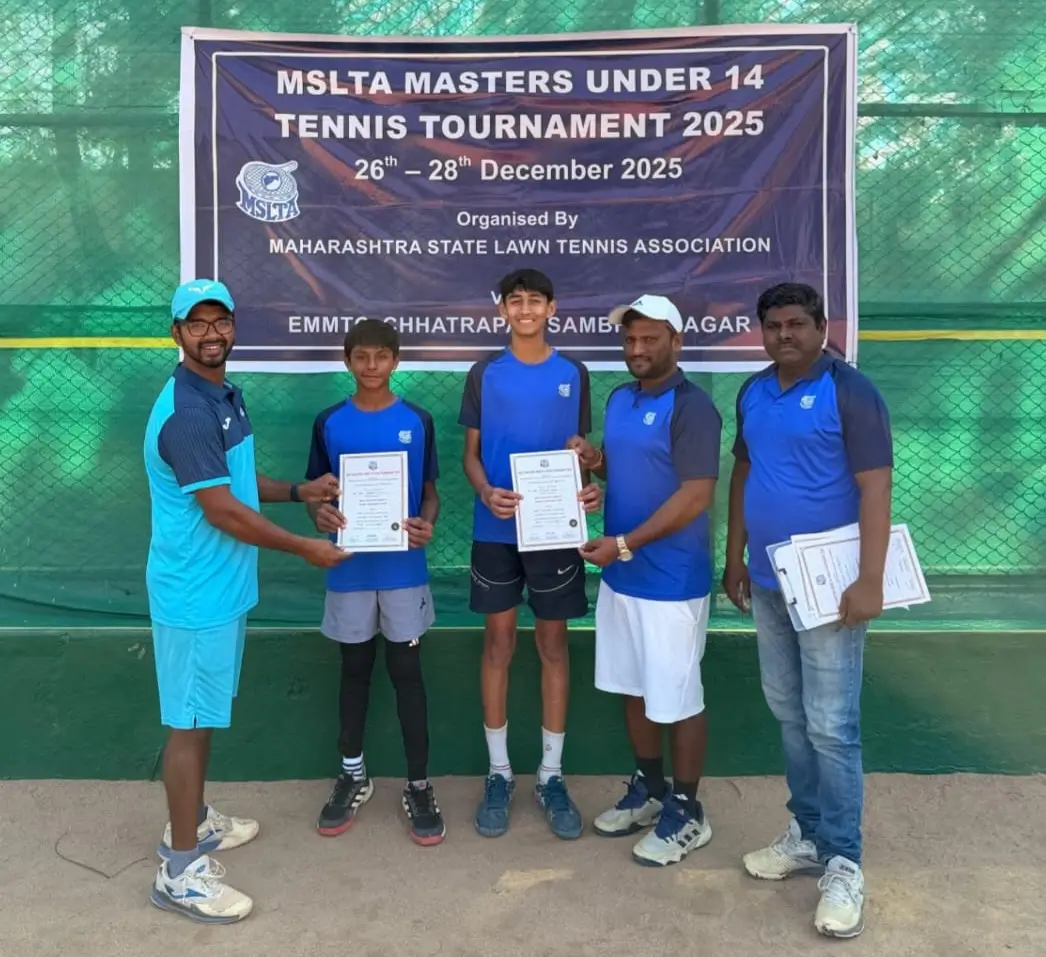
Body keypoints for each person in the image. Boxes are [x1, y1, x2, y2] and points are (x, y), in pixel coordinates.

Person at [144, 278, 349, 924]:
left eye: (220, 320)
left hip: (221, 588)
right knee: (190, 722)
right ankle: (180, 872)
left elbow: (235, 480)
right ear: (176, 333)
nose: (211, 333)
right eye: (196, 323)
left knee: (201, 715)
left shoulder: (222, 393)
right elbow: (223, 510)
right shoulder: (187, 410)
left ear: (233, 326)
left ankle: (196, 819)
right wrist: (304, 547)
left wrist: (299, 489)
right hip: (194, 594)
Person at [722, 282, 893, 939]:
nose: (784, 334)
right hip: (767, 580)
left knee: (831, 724)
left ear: (821, 326)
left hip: (830, 585)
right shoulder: (753, 391)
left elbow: (875, 485)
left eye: (796, 323)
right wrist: (734, 557)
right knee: (789, 713)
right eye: (773, 325)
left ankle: (845, 862)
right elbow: (743, 474)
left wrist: (869, 578)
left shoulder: (851, 391)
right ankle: (808, 833)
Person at [568, 294, 721, 866]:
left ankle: (688, 811)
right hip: (621, 577)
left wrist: (626, 544)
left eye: (650, 338)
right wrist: (592, 460)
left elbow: (695, 494)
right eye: (630, 340)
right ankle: (650, 789)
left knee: (678, 697)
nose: (637, 348)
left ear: (676, 342)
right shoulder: (620, 398)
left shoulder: (693, 408)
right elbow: (625, 464)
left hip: (671, 580)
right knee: (633, 687)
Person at [459, 268, 601, 840]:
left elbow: (581, 452)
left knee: (552, 645)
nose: (524, 309)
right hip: (495, 530)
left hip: (553, 533)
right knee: (497, 644)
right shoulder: (483, 372)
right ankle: (498, 772)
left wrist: (589, 472)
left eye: (534, 300)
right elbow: (470, 456)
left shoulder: (574, 373)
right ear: (502, 311)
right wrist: (484, 490)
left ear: (552, 308)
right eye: (514, 301)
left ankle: (550, 774)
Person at [304, 319, 445, 846]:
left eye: (381, 356)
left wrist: (425, 523)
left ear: (396, 361)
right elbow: (318, 494)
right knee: (355, 669)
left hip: (403, 569)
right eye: (360, 356)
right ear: (347, 361)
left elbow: (430, 492)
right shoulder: (328, 422)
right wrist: (320, 514)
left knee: (407, 672)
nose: (370, 366)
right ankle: (353, 775)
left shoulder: (418, 420)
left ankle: (419, 785)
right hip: (350, 569)